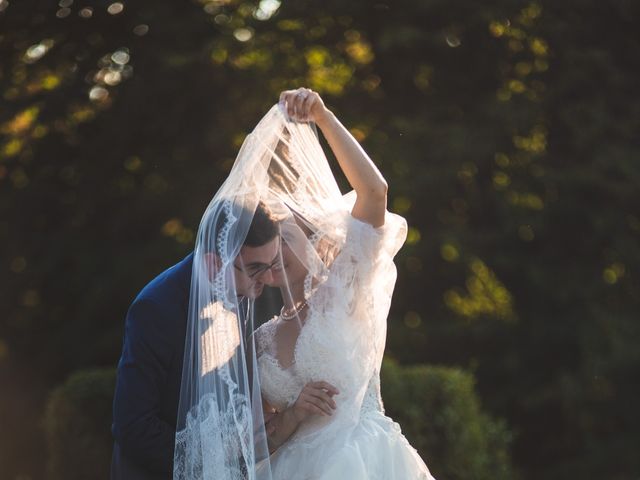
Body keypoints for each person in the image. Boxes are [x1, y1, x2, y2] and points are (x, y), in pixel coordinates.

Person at [252, 88, 435, 478]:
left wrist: (323, 117)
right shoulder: (261, 339)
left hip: (364, 463)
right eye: (268, 243)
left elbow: (374, 193)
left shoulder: (344, 291)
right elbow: (256, 442)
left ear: (315, 241)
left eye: (285, 237)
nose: (275, 251)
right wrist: (294, 414)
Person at [111, 200, 281, 480]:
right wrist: (209, 461)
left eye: (272, 264)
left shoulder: (241, 291)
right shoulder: (155, 308)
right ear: (214, 262)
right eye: (255, 269)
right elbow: (133, 426)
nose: (270, 278)